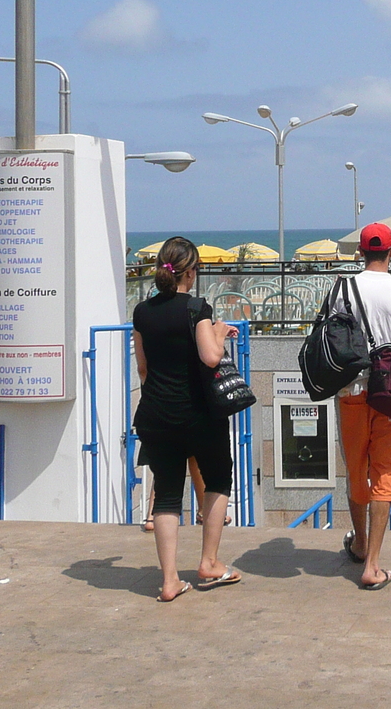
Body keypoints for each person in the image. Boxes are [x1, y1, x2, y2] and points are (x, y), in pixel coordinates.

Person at [132, 236, 242, 602]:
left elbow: (143, 369)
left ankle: (169, 582)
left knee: (165, 496)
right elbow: (211, 358)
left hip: (155, 414)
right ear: (190, 272)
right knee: (218, 481)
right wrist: (221, 332)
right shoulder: (197, 308)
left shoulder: (142, 312)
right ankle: (209, 562)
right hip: (197, 414)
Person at [338, 222, 391, 591]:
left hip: (351, 390)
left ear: (360, 252)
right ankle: (372, 565)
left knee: (356, 467)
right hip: (390, 393)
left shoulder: (342, 290)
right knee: (387, 473)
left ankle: (358, 543)